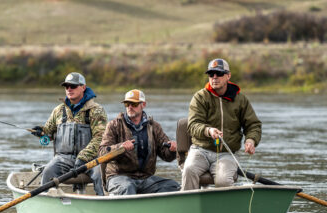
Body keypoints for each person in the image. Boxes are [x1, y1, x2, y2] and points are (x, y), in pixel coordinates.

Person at [182, 58, 262, 190]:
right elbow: (193, 125)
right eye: (211, 74)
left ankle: (223, 209)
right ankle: (188, 206)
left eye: (218, 74)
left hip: (227, 153)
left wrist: (251, 140)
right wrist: (209, 130)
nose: (214, 78)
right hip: (200, 150)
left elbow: (253, 124)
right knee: (189, 170)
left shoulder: (240, 100)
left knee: (223, 181)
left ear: (228, 76)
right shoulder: (200, 97)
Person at [31, 72, 107, 195]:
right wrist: (41, 132)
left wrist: (83, 158)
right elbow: (49, 132)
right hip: (63, 159)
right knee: (48, 171)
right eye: (67, 86)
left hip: (91, 160)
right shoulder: (59, 110)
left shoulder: (96, 110)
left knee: (100, 173)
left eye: (73, 86)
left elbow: (100, 137)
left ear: (83, 87)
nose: (69, 89)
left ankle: (103, 202)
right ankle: (46, 202)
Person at [99, 89, 180, 195]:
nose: (130, 107)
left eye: (134, 104)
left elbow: (167, 156)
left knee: (173, 186)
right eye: (127, 104)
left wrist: (172, 150)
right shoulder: (114, 125)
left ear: (143, 105)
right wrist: (120, 147)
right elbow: (102, 153)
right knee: (127, 188)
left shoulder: (154, 127)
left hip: (145, 179)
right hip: (118, 177)